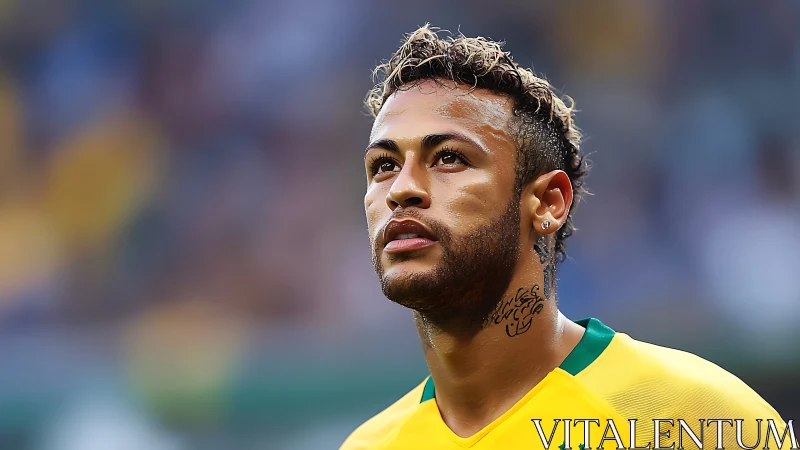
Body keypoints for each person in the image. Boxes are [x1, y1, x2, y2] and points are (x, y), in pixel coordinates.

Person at [340, 25, 790, 450]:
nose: (401, 189)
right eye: (383, 165)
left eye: (449, 158)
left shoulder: (697, 419)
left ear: (549, 202)